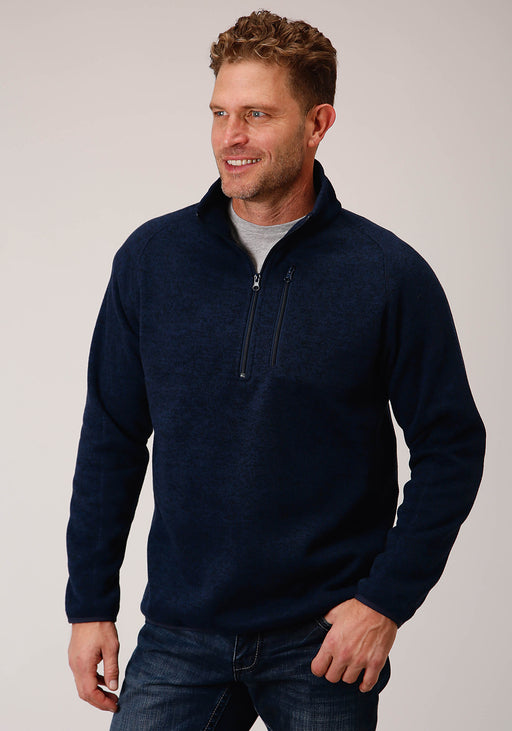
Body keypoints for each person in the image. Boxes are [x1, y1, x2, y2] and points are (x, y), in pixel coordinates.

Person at [66, 9, 485, 730]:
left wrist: (384, 602)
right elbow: (111, 438)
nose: (230, 136)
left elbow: (452, 446)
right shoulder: (151, 261)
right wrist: (89, 604)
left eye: (257, 115)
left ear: (317, 124)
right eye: (220, 113)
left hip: (323, 641)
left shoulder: (388, 275)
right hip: (179, 633)